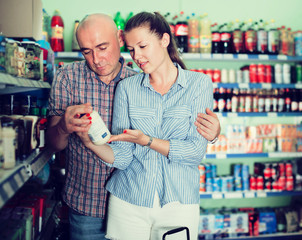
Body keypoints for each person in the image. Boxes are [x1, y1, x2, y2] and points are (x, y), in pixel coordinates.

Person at [46, 13, 220, 240]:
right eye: (86, 51)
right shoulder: (109, 84)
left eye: (102, 47)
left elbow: (194, 150)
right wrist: (75, 134)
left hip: (172, 201)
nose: (96, 59)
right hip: (101, 199)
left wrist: (214, 134)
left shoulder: (184, 82)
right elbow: (120, 155)